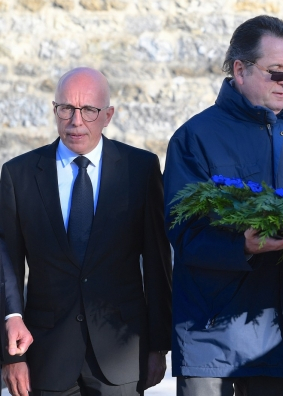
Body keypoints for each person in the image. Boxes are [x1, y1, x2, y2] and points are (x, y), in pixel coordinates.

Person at [163, 15, 283, 396]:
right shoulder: (195, 137)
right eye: (276, 72)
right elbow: (183, 235)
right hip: (212, 340)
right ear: (240, 70)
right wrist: (243, 245)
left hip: (282, 339)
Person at [0, 67, 173, 395]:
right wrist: (11, 356)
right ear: (55, 110)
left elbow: (157, 263)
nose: (76, 121)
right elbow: (5, 264)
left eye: (89, 110)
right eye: (66, 108)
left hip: (120, 356)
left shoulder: (141, 169)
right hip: (44, 357)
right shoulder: (18, 175)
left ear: (107, 115)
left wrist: (158, 346)